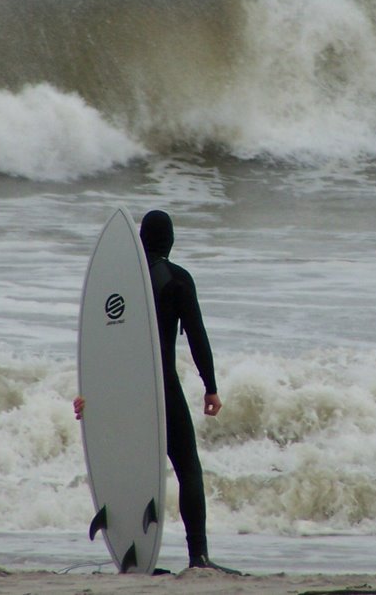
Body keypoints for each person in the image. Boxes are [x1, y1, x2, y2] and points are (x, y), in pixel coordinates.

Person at [74, 210, 235, 573]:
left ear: (140, 239)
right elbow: (196, 336)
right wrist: (210, 387)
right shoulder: (175, 279)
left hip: (122, 393)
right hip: (162, 388)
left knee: (131, 469)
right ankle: (199, 557)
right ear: (171, 240)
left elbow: (99, 343)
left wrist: (90, 395)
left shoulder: (120, 282)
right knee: (188, 468)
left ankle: (132, 551)